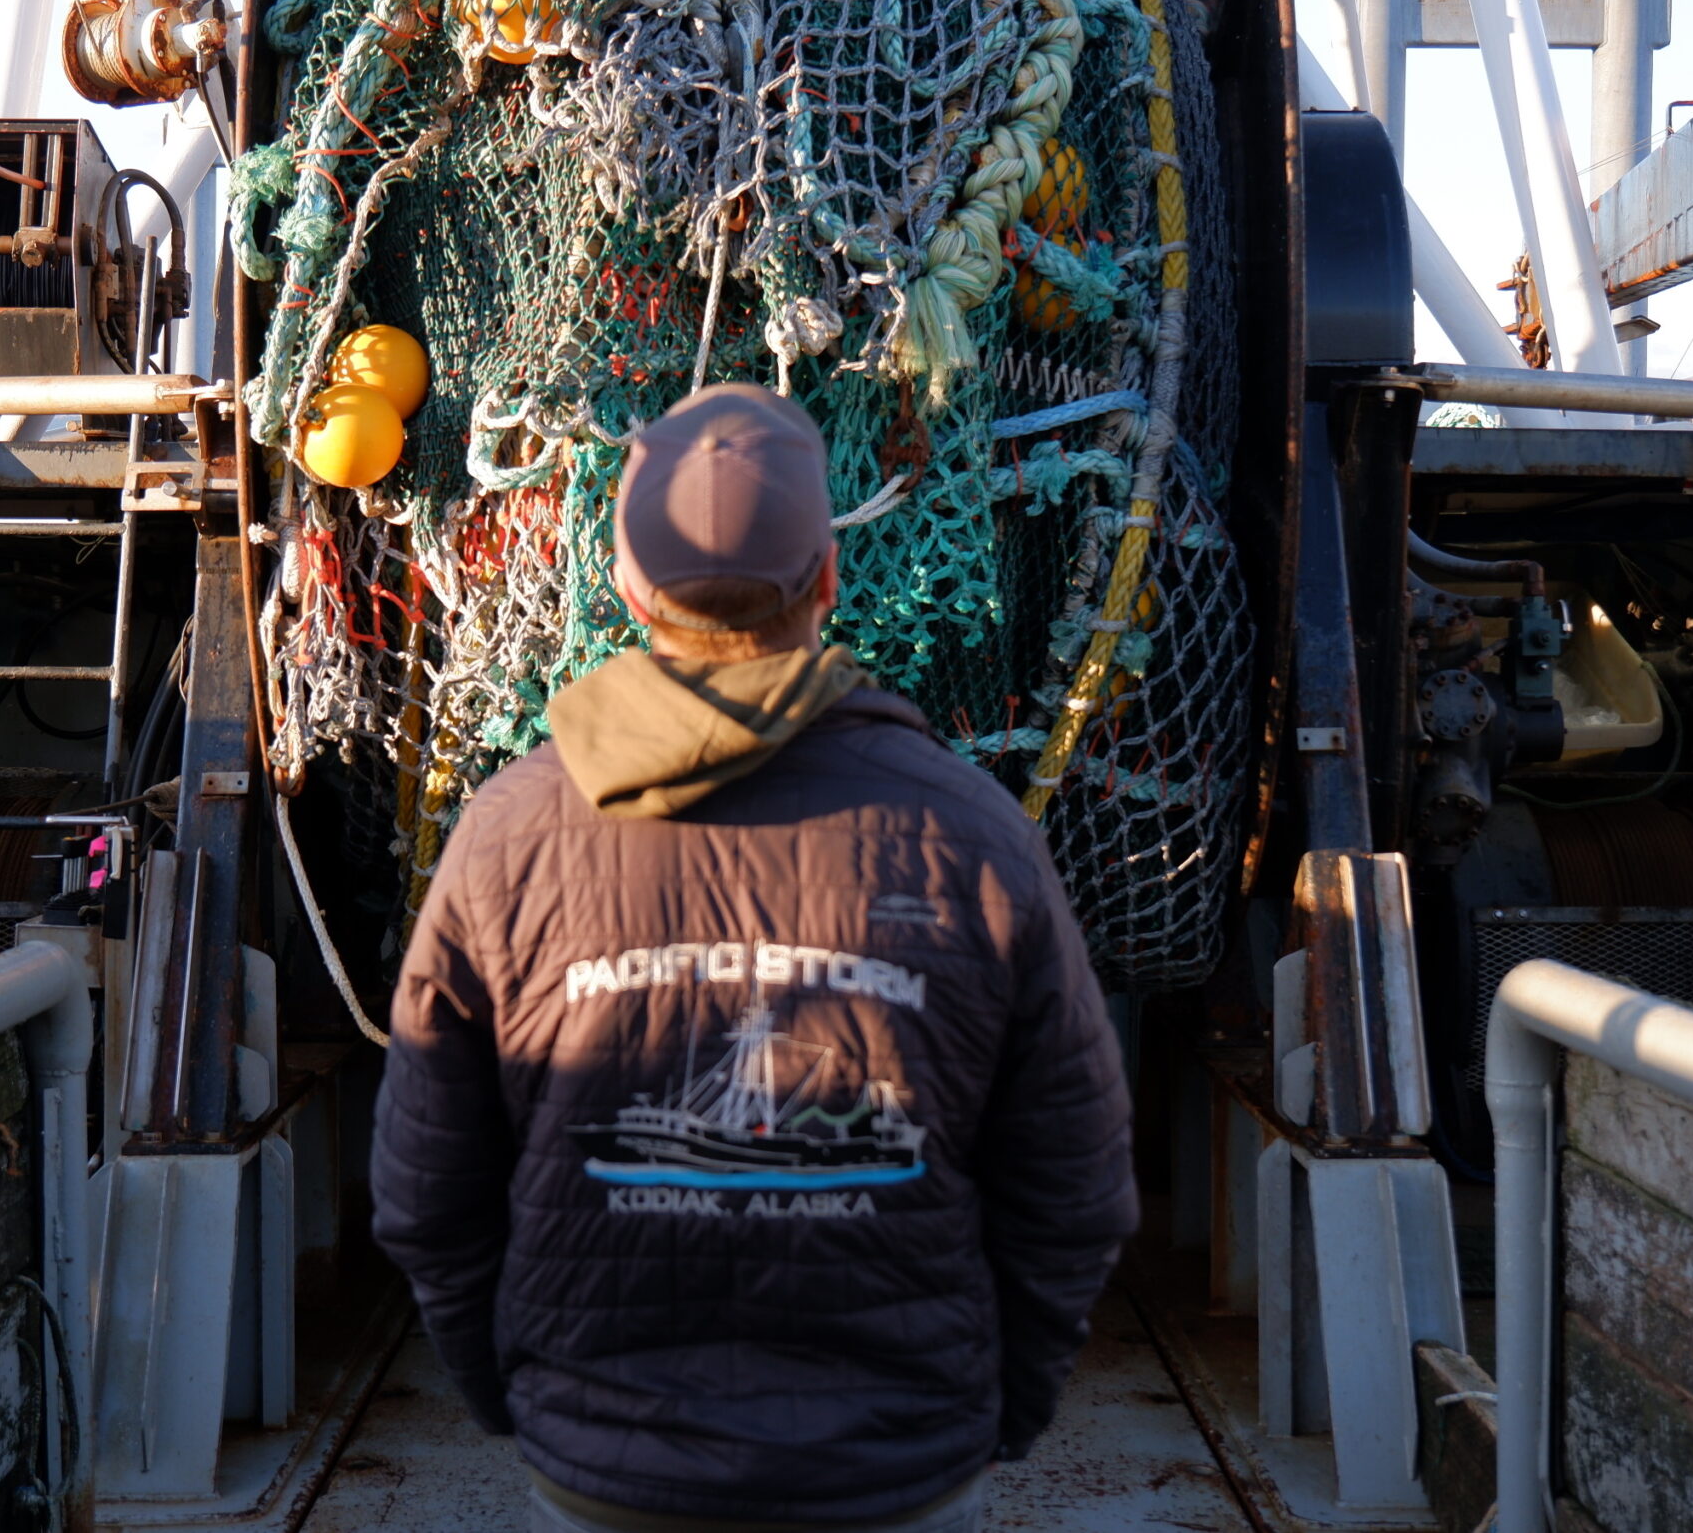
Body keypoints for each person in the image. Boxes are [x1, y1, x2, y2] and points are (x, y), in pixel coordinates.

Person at [370, 382, 1137, 1533]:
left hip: (600, 1468)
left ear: (625, 585)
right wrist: (992, 1414)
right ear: (829, 581)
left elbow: (429, 1196)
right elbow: (1071, 1193)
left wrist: (529, 1406)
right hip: (899, 1471)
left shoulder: (506, 835)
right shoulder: (974, 832)